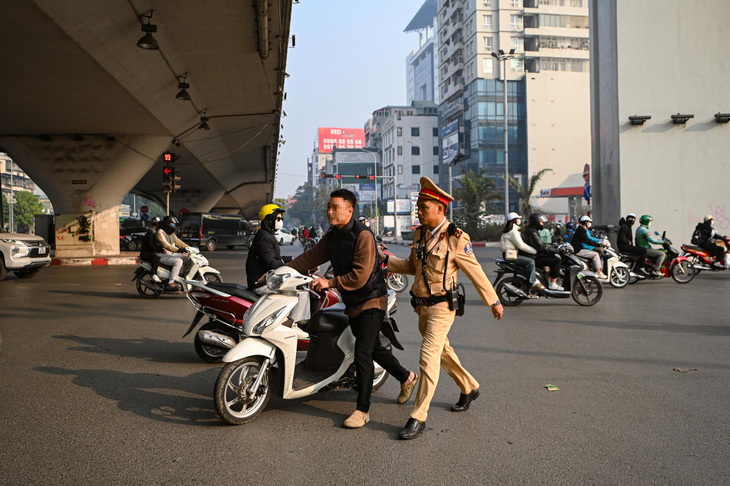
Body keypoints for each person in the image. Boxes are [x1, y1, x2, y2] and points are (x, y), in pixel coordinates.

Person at [381, 177, 503, 440]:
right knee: (442, 351)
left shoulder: (457, 238)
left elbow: (475, 271)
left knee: (427, 357)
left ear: (440, 208)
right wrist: (385, 261)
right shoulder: (420, 234)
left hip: (442, 308)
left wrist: (493, 301)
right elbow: (412, 267)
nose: (419, 210)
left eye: (424, 206)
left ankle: (418, 417)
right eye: (419, 206)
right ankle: (469, 387)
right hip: (422, 308)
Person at [286, 189, 417, 429]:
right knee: (374, 349)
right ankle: (407, 376)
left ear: (350, 210)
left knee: (363, 353)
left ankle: (363, 410)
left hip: (372, 301)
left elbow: (360, 275)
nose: (330, 211)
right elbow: (311, 257)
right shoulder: (333, 235)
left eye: (336, 207)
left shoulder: (362, 235)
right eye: (329, 207)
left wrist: (330, 282)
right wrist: (281, 270)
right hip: (353, 301)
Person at [245, 204, 293, 292]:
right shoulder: (265, 238)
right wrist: (292, 266)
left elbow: (271, 257)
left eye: (281, 219)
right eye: (278, 219)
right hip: (261, 283)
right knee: (296, 293)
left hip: (267, 280)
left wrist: (290, 259)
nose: (280, 221)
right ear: (269, 219)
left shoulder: (267, 235)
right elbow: (271, 263)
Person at [499, 212, 540, 289]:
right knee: (531, 262)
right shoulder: (513, 232)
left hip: (509, 254)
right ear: (514, 221)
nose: (519, 220)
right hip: (511, 255)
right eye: (518, 219)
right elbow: (521, 245)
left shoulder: (511, 230)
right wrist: (535, 251)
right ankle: (533, 282)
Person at [522, 214, 563, 290]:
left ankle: (548, 278)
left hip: (532, 255)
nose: (542, 224)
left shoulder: (531, 230)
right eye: (541, 222)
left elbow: (541, 244)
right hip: (532, 257)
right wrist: (557, 250)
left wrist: (554, 247)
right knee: (557, 260)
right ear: (536, 222)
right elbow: (541, 247)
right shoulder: (532, 232)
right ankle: (553, 284)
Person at [155, 216, 190, 291]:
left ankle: (183, 277)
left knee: (187, 258)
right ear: (167, 224)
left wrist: (189, 248)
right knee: (178, 261)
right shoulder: (160, 232)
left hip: (170, 254)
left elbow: (179, 242)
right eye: (172, 224)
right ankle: (171, 282)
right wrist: (178, 250)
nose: (173, 226)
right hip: (162, 255)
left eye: (174, 225)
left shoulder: (171, 234)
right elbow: (165, 245)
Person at [139, 217, 162, 283]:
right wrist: (159, 249)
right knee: (155, 258)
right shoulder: (150, 233)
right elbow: (151, 245)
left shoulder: (153, 232)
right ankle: (153, 274)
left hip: (150, 252)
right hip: (146, 253)